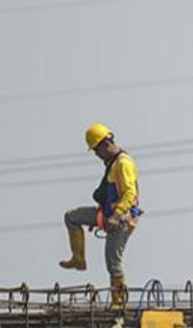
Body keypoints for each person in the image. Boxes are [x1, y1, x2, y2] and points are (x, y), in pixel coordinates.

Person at [59, 123, 141, 310]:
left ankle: (118, 303)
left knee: (113, 260)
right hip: (108, 214)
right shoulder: (113, 163)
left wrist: (116, 216)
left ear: (106, 144)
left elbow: (130, 193)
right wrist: (101, 215)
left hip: (122, 218)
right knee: (72, 217)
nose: (96, 154)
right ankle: (78, 259)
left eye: (96, 149)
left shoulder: (123, 163)